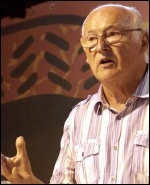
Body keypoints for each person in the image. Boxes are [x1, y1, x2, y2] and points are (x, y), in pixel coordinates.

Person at [1, 3, 149, 184]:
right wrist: (29, 182)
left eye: (112, 34)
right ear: (85, 53)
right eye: (91, 39)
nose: (101, 46)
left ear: (143, 42)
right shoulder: (79, 117)